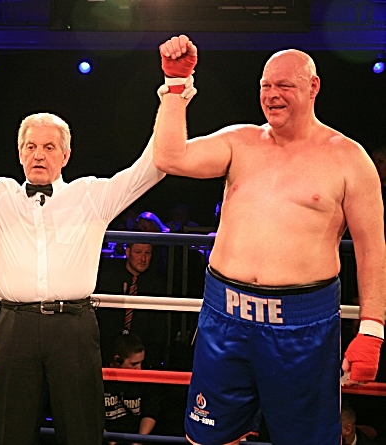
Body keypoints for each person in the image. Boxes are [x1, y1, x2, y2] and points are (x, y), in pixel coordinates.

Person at [0, 52, 193, 445]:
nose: (38, 154)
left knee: (82, 432)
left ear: (66, 155)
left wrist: (175, 91)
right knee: (11, 432)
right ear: (19, 151)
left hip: (74, 328)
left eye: (48, 146)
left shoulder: (90, 195)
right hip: (15, 326)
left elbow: (154, 165)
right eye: (30, 146)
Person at [152, 35, 385, 444]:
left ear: (312, 88)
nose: (272, 95)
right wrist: (175, 86)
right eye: (265, 86)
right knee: (210, 436)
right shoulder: (240, 142)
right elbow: (170, 157)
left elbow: (371, 247)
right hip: (226, 315)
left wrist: (372, 330)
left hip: (302, 325)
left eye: (284, 86)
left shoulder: (348, 158)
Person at [96, 243, 167, 368]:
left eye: (147, 253)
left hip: (143, 351)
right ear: (128, 252)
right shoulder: (107, 280)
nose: (143, 259)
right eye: (138, 252)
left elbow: (158, 328)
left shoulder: (157, 285)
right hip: (108, 349)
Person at [104, 332, 162, 445]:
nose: (139, 369)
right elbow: (91, 416)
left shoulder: (145, 379)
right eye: (134, 364)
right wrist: (110, 442)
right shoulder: (99, 379)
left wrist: (138, 442)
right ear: (117, 360)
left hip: (136, 438)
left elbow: (151, 412)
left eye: (141, 363)